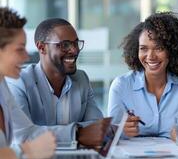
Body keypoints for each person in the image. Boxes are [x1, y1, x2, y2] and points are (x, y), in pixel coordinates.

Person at [6, 18, 109, 147]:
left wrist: (40, 131)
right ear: (42, 47)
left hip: (74, 158)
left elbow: (97, 127)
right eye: (65, 45)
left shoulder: (81, 78)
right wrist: (78, 134)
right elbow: (23, 136)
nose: (74, 50)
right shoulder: (19, 82)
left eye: (76, 43)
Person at [108, 12, 178, 138]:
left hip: (175, 156)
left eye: (159, 48)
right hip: (132, 156)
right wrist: (120, 131)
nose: (150, 56)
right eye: (143, 49)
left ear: (172, 50)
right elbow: (110, 136)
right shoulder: (121, 86)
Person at [0, 7, 55, 159]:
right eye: (19, 49)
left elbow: (28, 131)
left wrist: (65, 141)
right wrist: (26, 151)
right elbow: (27, 146)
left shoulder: (2, 86)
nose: (26, 56)